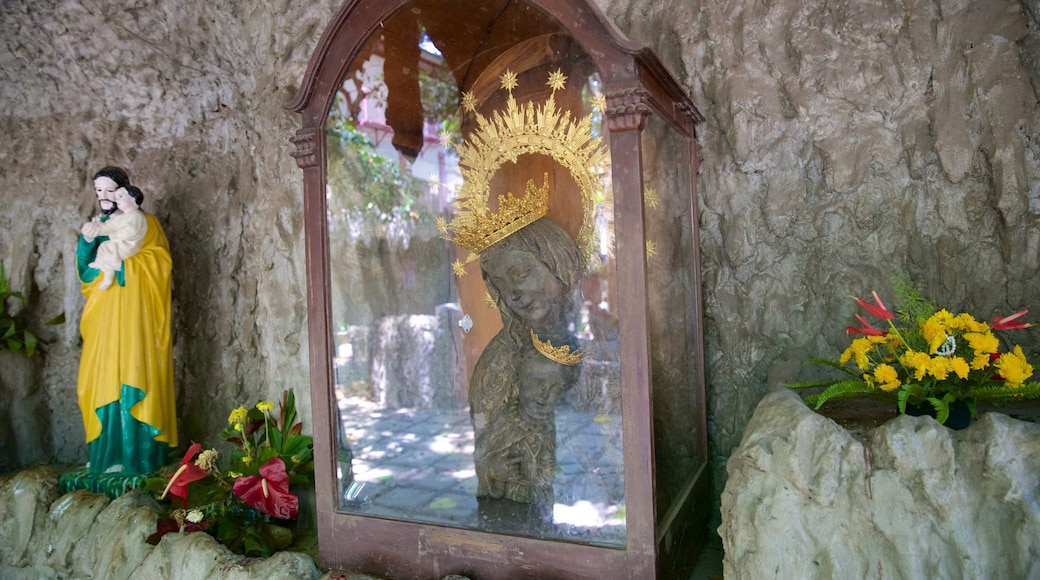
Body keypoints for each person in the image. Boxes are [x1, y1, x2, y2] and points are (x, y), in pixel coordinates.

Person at [470, 216, 583, 504]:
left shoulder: (604, 340)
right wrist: (492, 468)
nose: (513, 294)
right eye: (501, 285)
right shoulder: (500, 361)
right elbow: (485, 440)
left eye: (520, 274)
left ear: (557, 261)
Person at [77, 166, 176, 474]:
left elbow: (160, 263)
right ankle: (106, 455)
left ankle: (137, 458)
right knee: (97, 377)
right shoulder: (99, 226)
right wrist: (86, 241)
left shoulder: (146, 223)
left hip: (135, 315)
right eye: (99, 191)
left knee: (135, 371)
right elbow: (85, 270)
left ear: (123, 190)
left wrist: (123, 266)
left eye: (110, 190)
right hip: (104, 314)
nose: (104, 196)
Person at [87, 185, 147, 291]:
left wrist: (116, 234)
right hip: (119, 244)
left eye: (120, 196)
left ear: (133, 200)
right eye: (99, 190)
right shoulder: (123, 217)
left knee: (109, 250)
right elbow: (109, 226)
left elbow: (131, 230)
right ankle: (104, 269)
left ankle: (107, 273)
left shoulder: (137, 217)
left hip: (128, 246)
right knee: (104, 246)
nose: (116, 199)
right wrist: (97, 229)